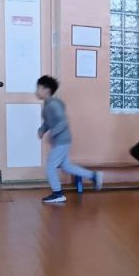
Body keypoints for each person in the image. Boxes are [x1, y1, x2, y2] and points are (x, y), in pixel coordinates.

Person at [36, 75, 102, 204]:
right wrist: (42, 130)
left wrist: (52, 133)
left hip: (61, 141)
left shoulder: (53, 105)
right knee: (66, 166)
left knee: (50, 166)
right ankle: (94, 176)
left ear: (46, 90)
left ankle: (58, 193)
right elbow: (49, 122)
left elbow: (63, 122)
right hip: (61, 140)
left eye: (39, 88)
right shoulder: (48, 104)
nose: (36, 91)